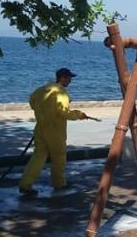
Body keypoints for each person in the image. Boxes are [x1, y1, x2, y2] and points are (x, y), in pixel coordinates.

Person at [19, 68, 88, 197]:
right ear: (62, 77)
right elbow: (64, 113)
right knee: (59, 157)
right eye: (68, 78)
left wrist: (43, 112)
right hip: (55, 131)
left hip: (40, 128)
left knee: (38, 157)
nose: (70, 81)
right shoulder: (61, 93)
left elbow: (32, 103)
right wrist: (79, 114)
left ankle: (25, 184)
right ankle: (59, 183)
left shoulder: (40, 90)